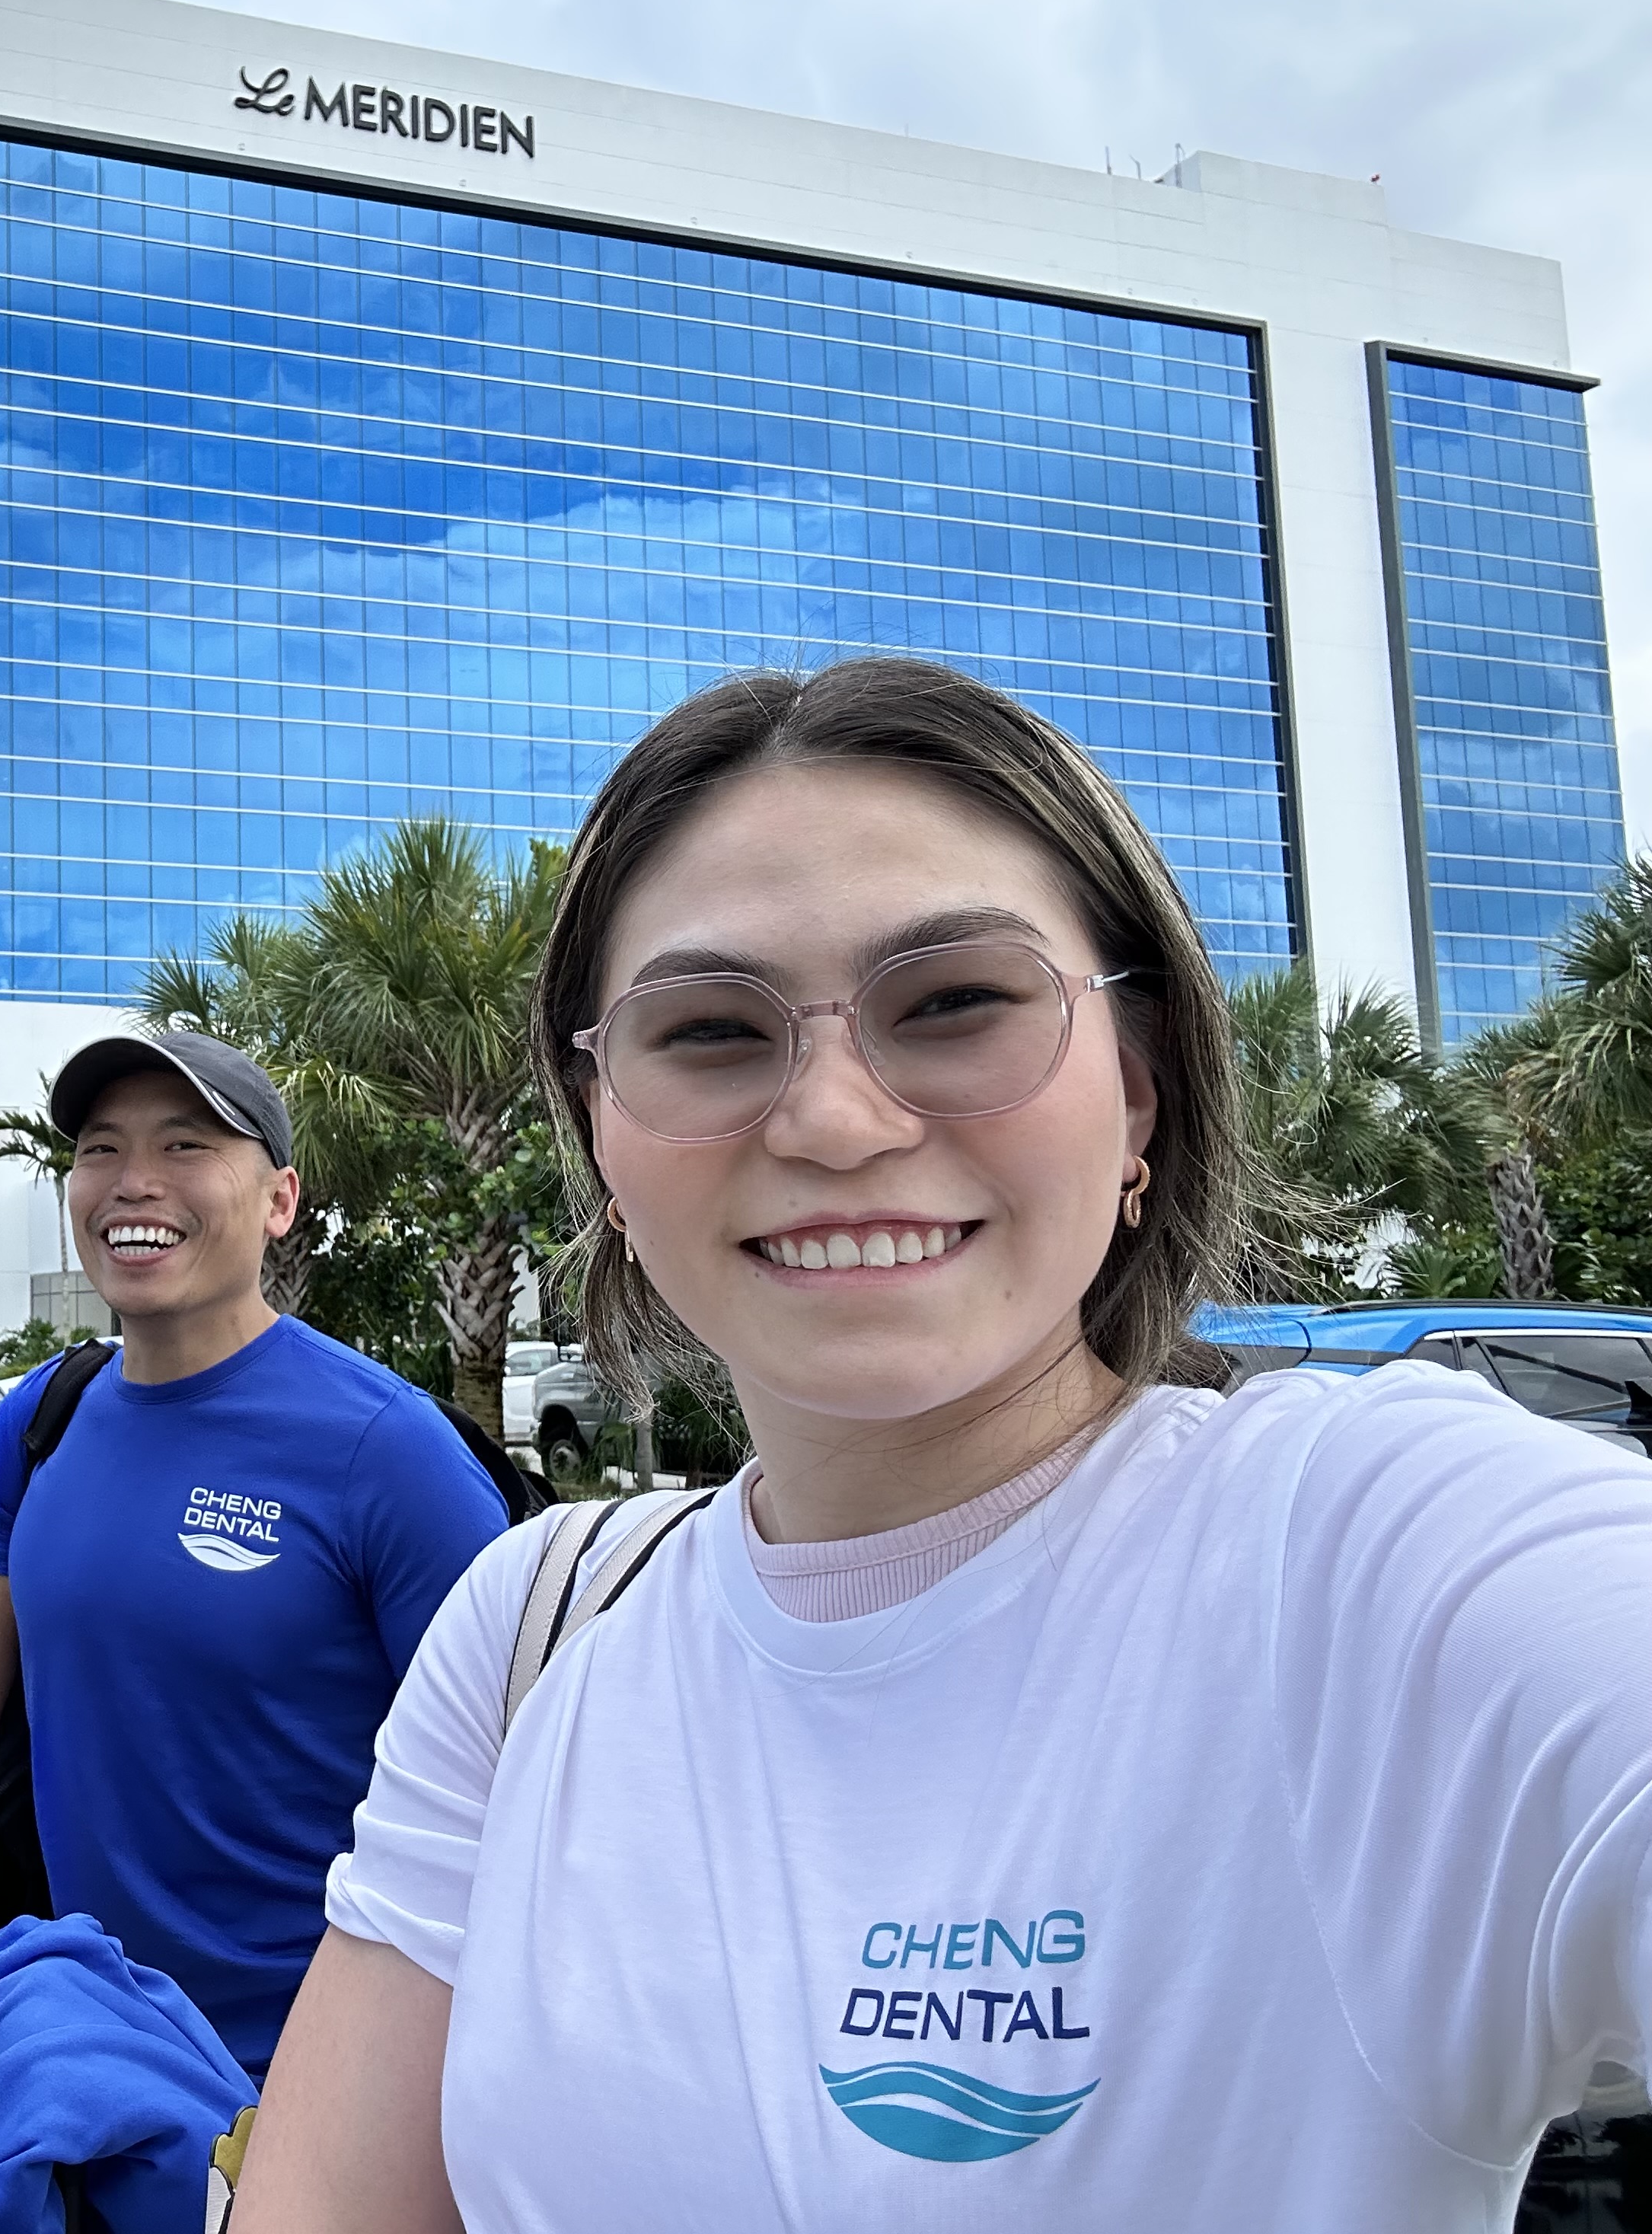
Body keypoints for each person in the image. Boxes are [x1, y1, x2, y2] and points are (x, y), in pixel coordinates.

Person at [236, 657, 1652, 2232]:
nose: (836, 1122)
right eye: (710, 1031)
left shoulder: (1370, 1551)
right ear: (603, 1136)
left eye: (958, 1003)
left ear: (1142, 1089)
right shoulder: (538, 1628)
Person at [0, 1031, 509, 2227]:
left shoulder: (385, 1453)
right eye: (101, 1150)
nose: (134, 1182)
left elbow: (520, 1812)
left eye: (186, 1146)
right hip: (82, 2066)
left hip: (316, 2105)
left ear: (281, 1200)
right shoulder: (43, 1417)